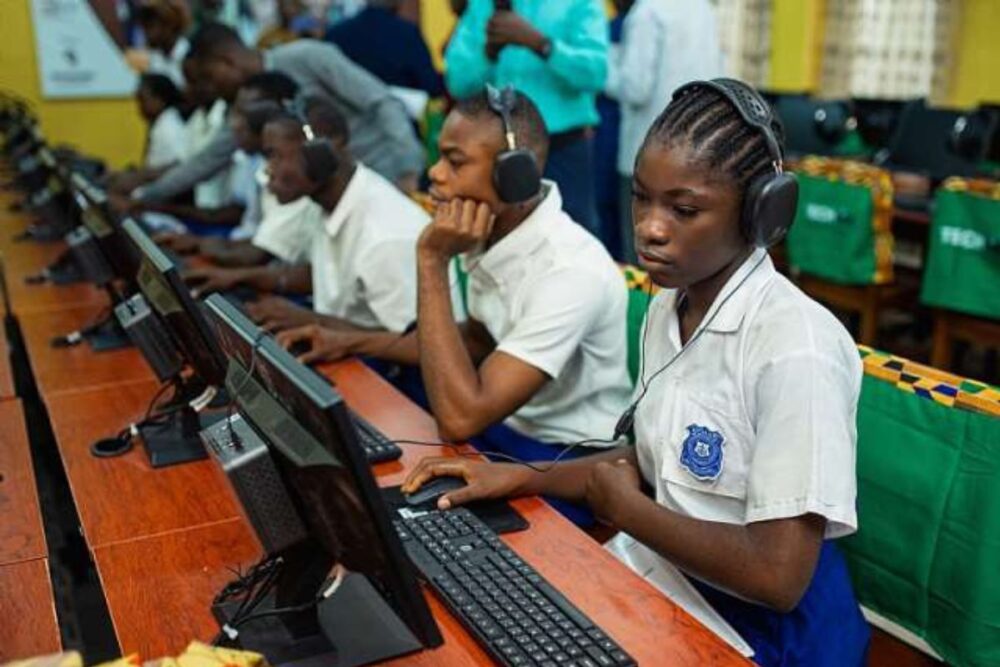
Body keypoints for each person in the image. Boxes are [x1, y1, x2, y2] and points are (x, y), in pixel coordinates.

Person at [397, 80, 871, 666]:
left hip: (766, 633)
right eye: (642, 199)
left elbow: (778, 578)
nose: (650, 227)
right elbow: (651, 463)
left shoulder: (795, 347)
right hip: (669, 573)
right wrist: (522, 477)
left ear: (761, 212)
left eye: (684, 209)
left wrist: (625, 510)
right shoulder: (672, 303)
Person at [277, 91, 633, 518]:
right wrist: (348, 340)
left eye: (455, 161)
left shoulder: (570, 271)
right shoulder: (495, 234)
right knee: (351, 482)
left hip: (562, 458)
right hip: (504, 432)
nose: (435, 173)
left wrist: (431, 261)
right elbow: (479, 338)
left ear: (515, 176)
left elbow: (460, 419)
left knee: (399, 520)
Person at [185, 100, 430, 336]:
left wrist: (312, 321)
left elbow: (414, 344)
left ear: (322, 151)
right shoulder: (324, 202)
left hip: (386, 372)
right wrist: (240, 278)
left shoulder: (384, 235)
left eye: (275, 156)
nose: (267, 170)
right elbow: (332, 279)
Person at [130, 21, 426, 210]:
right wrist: (145, 197)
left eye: (207, 78)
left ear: (227, 61)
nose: (208, 90)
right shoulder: (244, 105)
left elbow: (383, 103)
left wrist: (408, 171)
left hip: (390, 178)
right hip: (337, 196)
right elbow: (205, 161)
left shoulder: (308, 57)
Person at [444, 0, 608, 235]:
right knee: (501, 239)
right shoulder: (483, 6)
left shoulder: (579, 3)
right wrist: (488, 51)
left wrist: (542, 45)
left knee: (571, 237)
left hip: (563, 150)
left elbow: (595, 74)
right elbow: (457, 82)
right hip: (498, 153)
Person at [605, 0, 723, 263]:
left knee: (645, 257)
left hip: (650, 155)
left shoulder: (647, 12)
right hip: (698, 152)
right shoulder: (701, 8)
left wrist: (602, 65)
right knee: (684, 256)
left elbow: (635, 88)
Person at [157, 72, 303, 262]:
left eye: (243, 114)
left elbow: (263, 251)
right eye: (235, 112)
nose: (234, 125)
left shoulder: (291, 174)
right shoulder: (255, 163)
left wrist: (205, 246)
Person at [325, 0, 444, 98]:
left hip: (347, 121)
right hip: (399, 121)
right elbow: (431, 85)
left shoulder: (336, 35)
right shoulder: (407, 34)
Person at [135, 74, 187, 170]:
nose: (139, 106)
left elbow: (178, 165)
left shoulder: (169, 128)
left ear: (160, 100)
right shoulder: (159, 124)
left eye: (142, 100)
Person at [134, 0, 192, 86]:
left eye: (150, 26)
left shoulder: (190, 59)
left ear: (169, 26)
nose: (145, 33)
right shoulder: (147, 60)